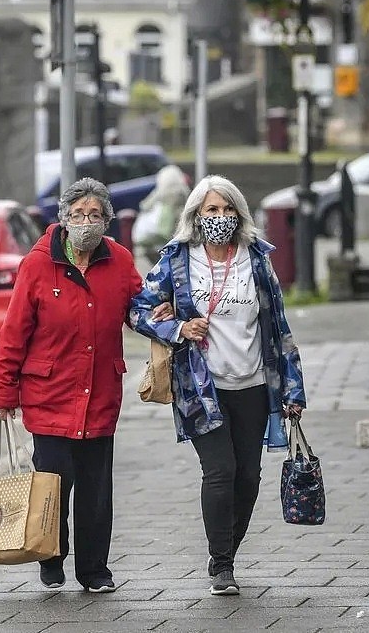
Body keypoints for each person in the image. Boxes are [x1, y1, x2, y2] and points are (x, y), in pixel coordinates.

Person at [0, 177, 171, 593]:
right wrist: (3, 391)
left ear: (107, 221)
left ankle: (94, 570)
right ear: (64, 218)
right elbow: (14, 332)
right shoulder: (37, 265)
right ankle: (51, 556)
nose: (86, 222)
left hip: (101, 393)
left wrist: (164, 315)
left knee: (95, 490)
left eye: (94, 215)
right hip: (48, 393)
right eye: (77, 215)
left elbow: (139, 308)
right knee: (54, 480)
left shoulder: (120, 261)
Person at [129, 175, 307, 596]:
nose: (220, 218)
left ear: (240, 215)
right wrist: (177, 327)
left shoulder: (257, 261)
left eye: (228, 210)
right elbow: (137, 309)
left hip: (253, 384)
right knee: (221, 471)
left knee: (248, 476)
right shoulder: (177, 261)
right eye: (212, 210)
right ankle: (222, 564)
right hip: (200, 388)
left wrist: (292, 389)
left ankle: (226, 551)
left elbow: (280, 329)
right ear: (195, 215)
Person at [132, 164, 190, 265]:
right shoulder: (184, 194)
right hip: (174, 247)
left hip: (155, 246)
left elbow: (163, 231)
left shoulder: (161, 195)